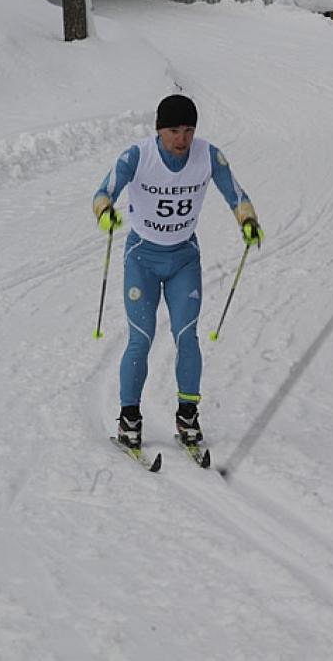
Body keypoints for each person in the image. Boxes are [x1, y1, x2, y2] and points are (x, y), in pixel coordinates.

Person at [93, 94, 262, 451]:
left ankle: (188, 417)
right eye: (173, 131)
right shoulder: (138, 156)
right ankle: (129, 420)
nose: (181, 139)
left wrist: (247, 220)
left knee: (187, 335)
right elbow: (103, 192)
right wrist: (105, 211)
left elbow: (236, 193)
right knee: (142, 337)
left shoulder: (208, 155)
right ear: (158, 130)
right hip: (143, 257)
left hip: (184, 257)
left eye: (188, 130)